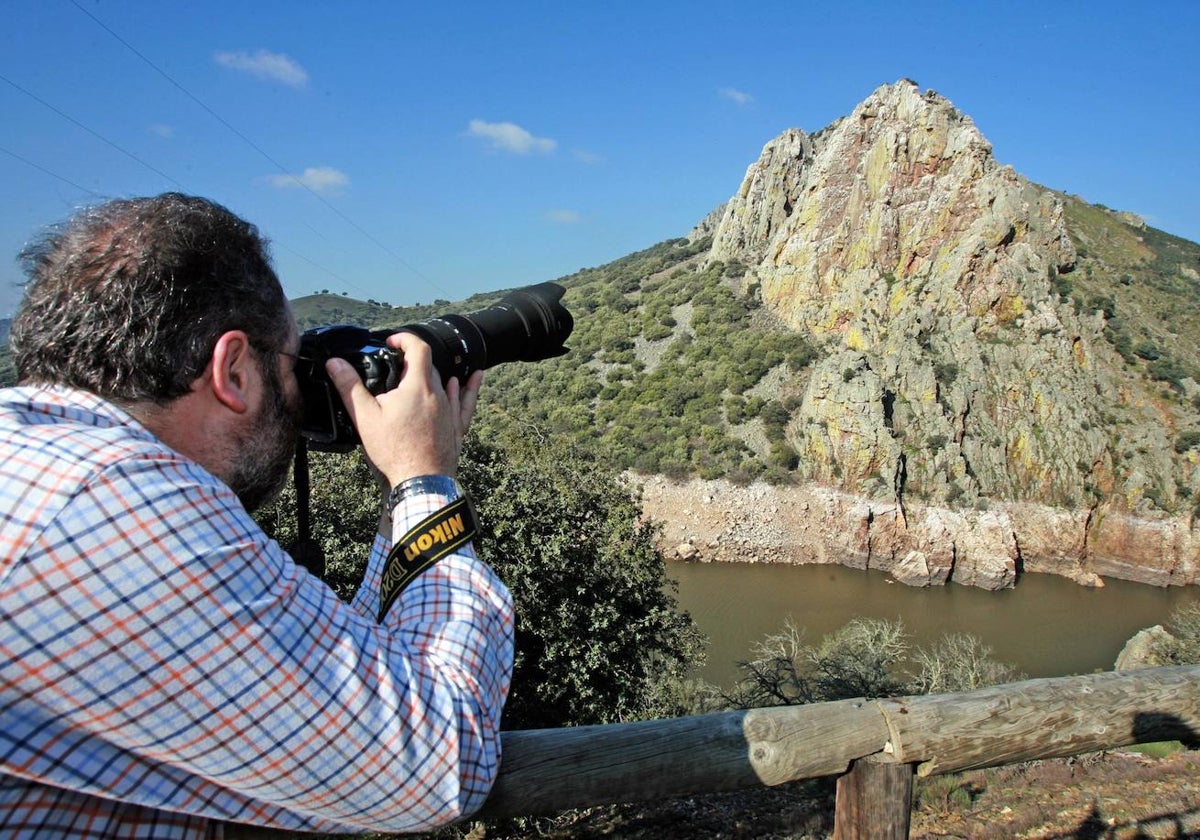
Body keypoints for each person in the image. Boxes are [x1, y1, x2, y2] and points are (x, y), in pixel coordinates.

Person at [0, 193, 514, 837]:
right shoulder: (114, 507)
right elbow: (438, 765)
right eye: (290, 365)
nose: (297, 393)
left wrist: (398, 507)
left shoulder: (45, 467)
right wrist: (426, 481)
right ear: (234, 371)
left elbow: (316, 682)